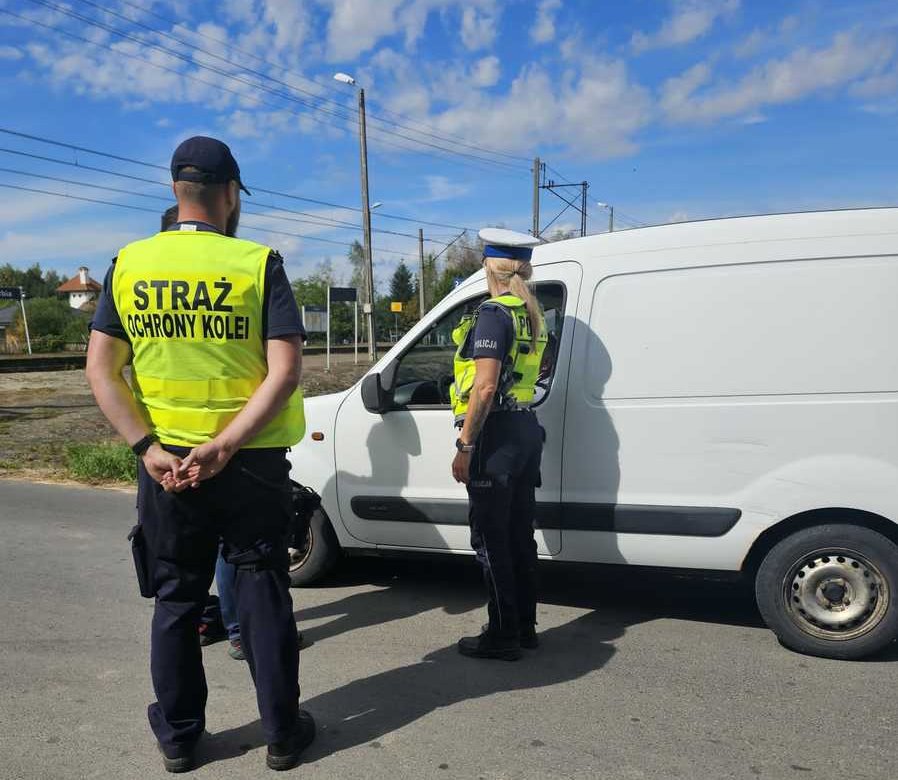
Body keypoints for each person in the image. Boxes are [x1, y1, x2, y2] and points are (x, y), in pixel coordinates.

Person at [87, 136, 314, 773]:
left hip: (167, 466)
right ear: (231, 194)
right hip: (250, 461)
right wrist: (227, 443)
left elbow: (101, 370)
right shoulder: (257, 264)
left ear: (175, 191)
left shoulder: (128, 265)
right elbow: (285, 371)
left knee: (177, 599)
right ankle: (282, 733)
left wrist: (146, 447)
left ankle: (181, 737)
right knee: (261, 585)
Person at [450, 230, 548, 661]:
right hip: (525, 429)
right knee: (519, 536)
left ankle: (502, 635)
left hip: (496, 437)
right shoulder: (532, 314)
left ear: (488, 268)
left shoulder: (494, 313)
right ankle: (525, 627)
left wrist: (465, 445)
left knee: (491, 541)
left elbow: (485, 387)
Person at [161, 204, 245, 661]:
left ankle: (210, 623)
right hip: (230, 446)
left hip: (169, 449)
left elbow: (105, 369)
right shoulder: (240, 270)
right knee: (233, 551)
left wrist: (145, 446)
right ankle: (236, 630)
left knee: (184, 565)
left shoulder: (144, 281)